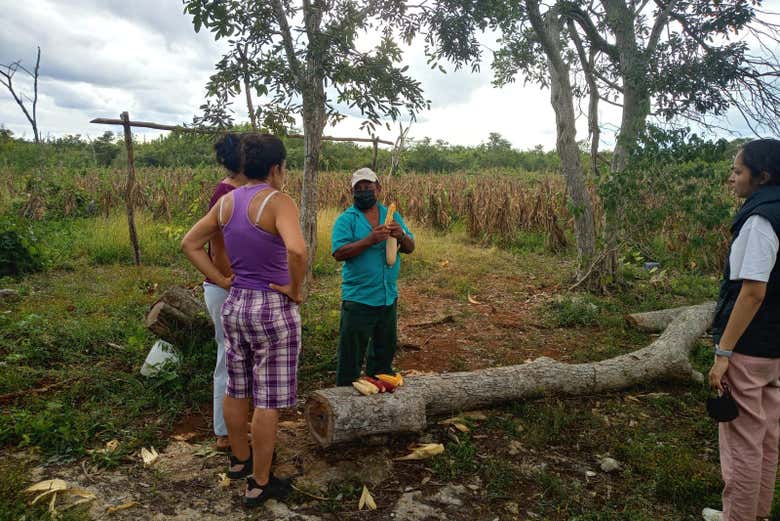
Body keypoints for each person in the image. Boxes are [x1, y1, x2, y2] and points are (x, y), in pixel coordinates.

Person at [181, 134, 306, 507]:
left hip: (235, 305)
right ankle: (260, 482)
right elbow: (297, 249)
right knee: (267, 399)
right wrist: (294, 288)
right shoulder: (278, 201)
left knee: (237, 386)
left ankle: (239, 461)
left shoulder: (227, 201)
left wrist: (220, 279)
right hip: (272, 306)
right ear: (275, 168)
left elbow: (189, 243)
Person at [705, 139, 780, 521]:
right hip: (774, 348)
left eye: (738, 171)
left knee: (742, 445)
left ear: (762, 177)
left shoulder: (759, 220)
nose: (731, 178)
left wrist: (724, 354)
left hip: (750, 348)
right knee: (766, 437)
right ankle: (757, 513)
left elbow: (751, 293)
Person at [331, 167, 415, 386]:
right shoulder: (346, 220)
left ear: (378, 188)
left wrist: (401, 235)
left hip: (388, 298)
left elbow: (410, 247)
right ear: (352, 193)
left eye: (367, 187)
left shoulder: (392, 215)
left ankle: (378, 397)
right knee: (350, 359)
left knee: (383, 358)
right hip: (359, 300)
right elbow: (339, 253)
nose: (363, 192)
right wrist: (369, 240)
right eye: (358, 189)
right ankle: (344, 401)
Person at [203, 132, 247, 453]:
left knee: (239, 357)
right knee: (228, 357)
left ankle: (238, 423)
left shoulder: (239, 191)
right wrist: (228, 281)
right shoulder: (226, 194)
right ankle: (223, 431)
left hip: (235, 284)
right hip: (227, 286)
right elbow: (217, 249)